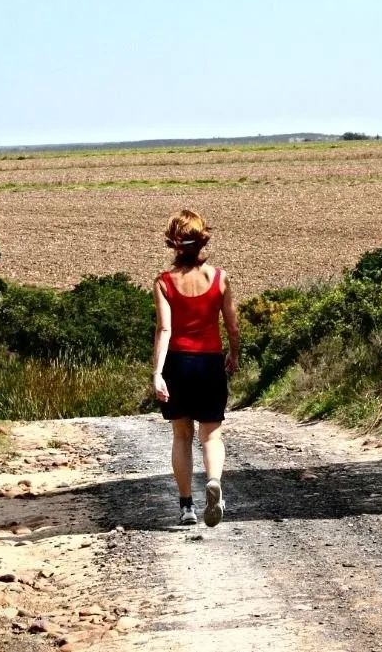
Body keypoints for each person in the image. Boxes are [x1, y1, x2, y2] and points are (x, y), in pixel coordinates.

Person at [151, 210, 240, 527]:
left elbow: (164, 330)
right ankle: (214, 482)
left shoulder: (164, 282)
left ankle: (187, 506)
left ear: (175, 245)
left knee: (181, 435)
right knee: (211, 435)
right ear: (202, 240)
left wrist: (158, 373)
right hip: (210, 362)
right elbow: (232, 326)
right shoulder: (219, 278)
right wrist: (234, 354)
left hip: (178, 363)